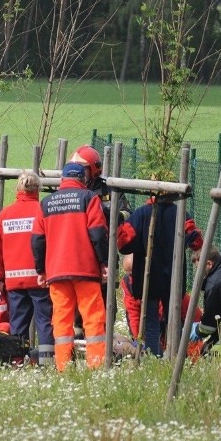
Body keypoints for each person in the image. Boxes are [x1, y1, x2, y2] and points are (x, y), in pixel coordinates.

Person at [32, 162, 109, 371]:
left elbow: (37, 240)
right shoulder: (89, 198)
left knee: (61, 319)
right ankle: (96, 365)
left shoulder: (46, 203)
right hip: (85, 269)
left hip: (56, 272)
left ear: (62, 180)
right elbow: (98, 233)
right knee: (92, 317)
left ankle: (63, 366)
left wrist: (41, 270)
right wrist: (104, 262)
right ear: (83, 179)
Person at [117, 196, 204, 356]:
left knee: (150, 323)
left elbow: (123, 243)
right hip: (174, 278)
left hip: (148, 278)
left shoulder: (141, 214)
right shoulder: (180, 213)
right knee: (174, 319)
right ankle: (176, 357)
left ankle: (153, 358)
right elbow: (196, 242)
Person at [0, 170, 55, 365]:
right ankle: (46, 363)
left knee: (18, 323)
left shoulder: (4, 215)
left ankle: (16, 361)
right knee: (45, 322)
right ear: (38, 189)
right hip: (40, 279)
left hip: (14, 281)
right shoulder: (43, 210)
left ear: (18, 188)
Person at [68, 144, 131, 337]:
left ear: (94, 169)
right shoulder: (71, 190)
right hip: (79, 254)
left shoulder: (110, 190)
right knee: (79, 299)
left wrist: (107, 214)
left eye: (83, 170)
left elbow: (127, 213)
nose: (79, 174)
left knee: (105, 299)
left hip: (105, 253)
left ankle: (104, 338)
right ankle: (79, 336)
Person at [120, 253, 202, 353]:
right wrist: (138, 338)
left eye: (134, 272)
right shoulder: (128, 283)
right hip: (150, 319)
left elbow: (186, 306)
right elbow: (132, 312)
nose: (132, 276)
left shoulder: (158, 275)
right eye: (129, 274)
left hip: (171, 316)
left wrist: (197, 327)